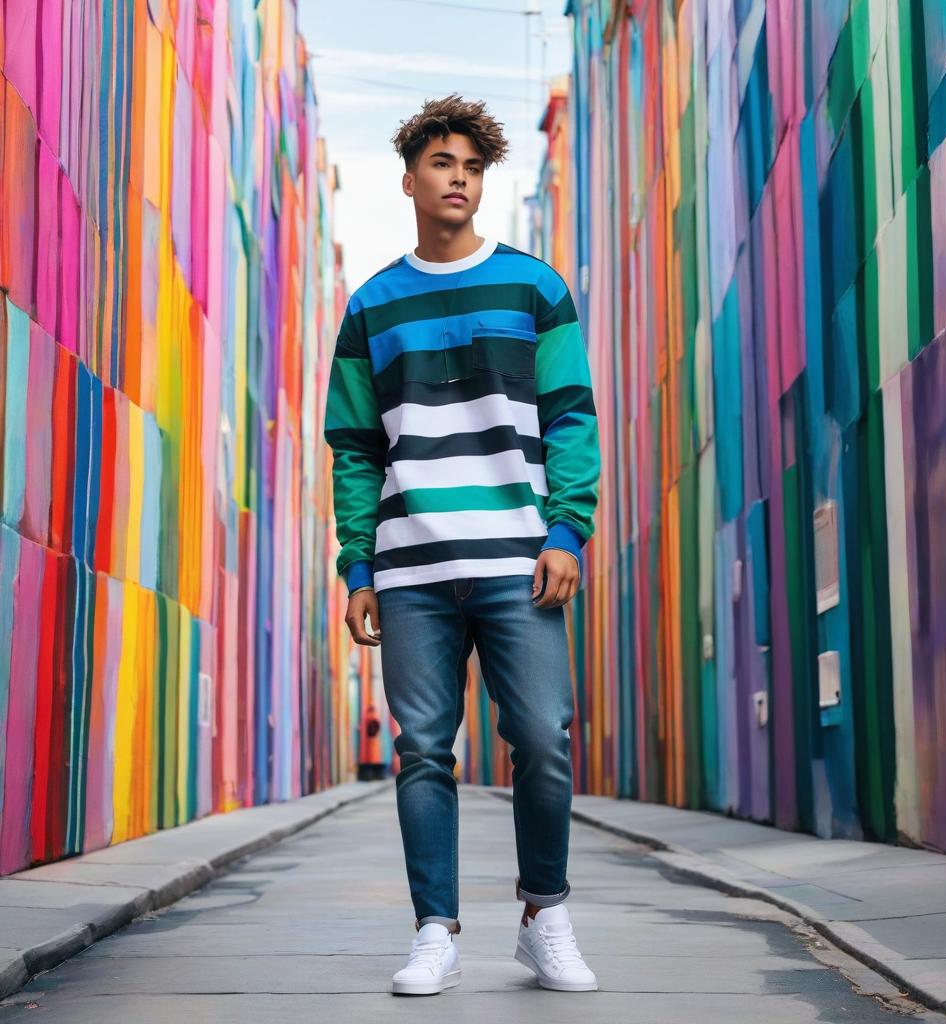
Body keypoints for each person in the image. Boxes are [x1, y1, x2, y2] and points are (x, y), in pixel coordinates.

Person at [323, 93, 601, 996]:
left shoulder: (534, 286)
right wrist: (357, 564)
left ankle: (544, 913)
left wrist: (567, 528)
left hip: (518, 560)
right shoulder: (371, 306)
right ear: (409, 179)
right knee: (422, 750)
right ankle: (434, 930)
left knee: (544, 740)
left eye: (473, 168)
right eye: (443, 164)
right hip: (411, 570)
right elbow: (356, 448)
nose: (459, 180)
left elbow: (570, 418)